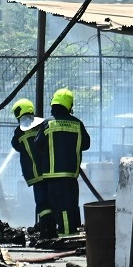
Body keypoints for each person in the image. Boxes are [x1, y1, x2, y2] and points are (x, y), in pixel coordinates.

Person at [33, 88, 91, 239]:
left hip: (53, 175)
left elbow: (37, 145)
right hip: (71, 175)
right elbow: (86, 144)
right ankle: (72, 232)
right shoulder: (77, 124)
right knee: (71, 205)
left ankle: (66, 237)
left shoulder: (48, 123)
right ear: (69, 105)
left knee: (61, 206)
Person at [10, 98, 51, 242]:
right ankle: (50, 229)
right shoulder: (43, 126)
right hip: (49, 172)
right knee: (50, 201)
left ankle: (46, 233)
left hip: (34, 174)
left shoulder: (19, 132)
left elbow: (15, 145)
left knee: (42, 203)